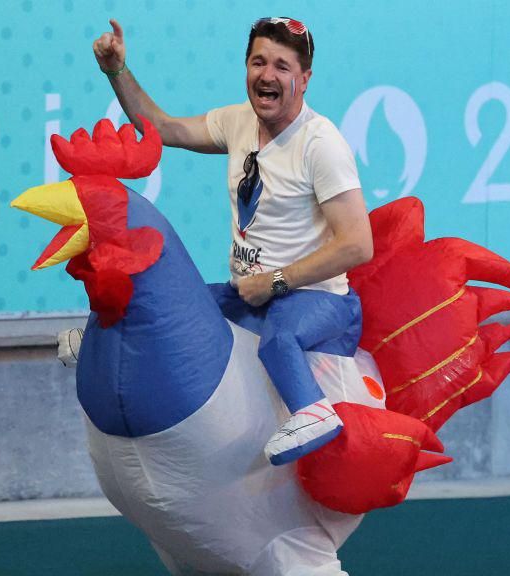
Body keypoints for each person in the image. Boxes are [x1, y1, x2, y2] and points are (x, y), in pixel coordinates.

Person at [91, 17, 373, 464]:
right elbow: (164, 128)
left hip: (317, 299)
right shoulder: (238, 121)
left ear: (305, 79)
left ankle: (314, 411)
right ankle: (96, 340)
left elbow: (358, 245)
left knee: (278, 342)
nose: (267, 75)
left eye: (282, 66)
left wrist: (276, 282)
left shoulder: (322, 144)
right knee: (174, 306)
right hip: (251, 293)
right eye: (258, 61)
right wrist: (116, 71)